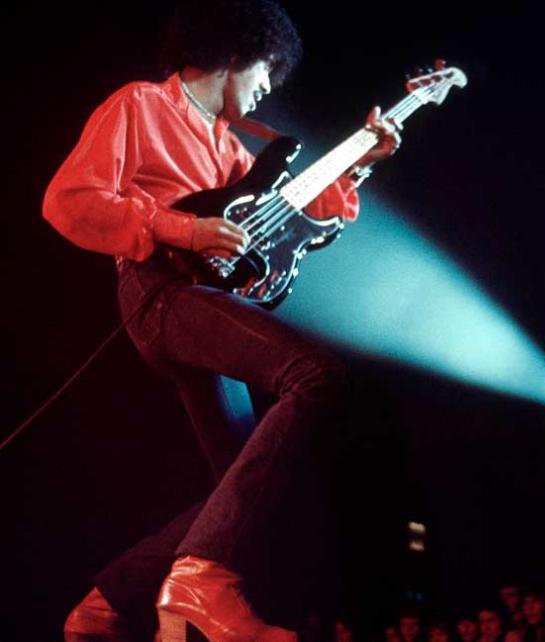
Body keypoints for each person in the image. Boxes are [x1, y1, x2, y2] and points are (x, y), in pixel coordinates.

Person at [44, 1, 400, 640]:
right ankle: (201, 581)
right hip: (159, 294)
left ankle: (106, 603)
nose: (270, 86)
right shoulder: (140, 105)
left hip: (210, 303)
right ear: (234, 54)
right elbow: (69, 199)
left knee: (240, 485)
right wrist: (181, 226)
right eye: (267, 69)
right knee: (314, 374)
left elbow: (291, 215)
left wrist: (361, 162)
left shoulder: (232, 148)